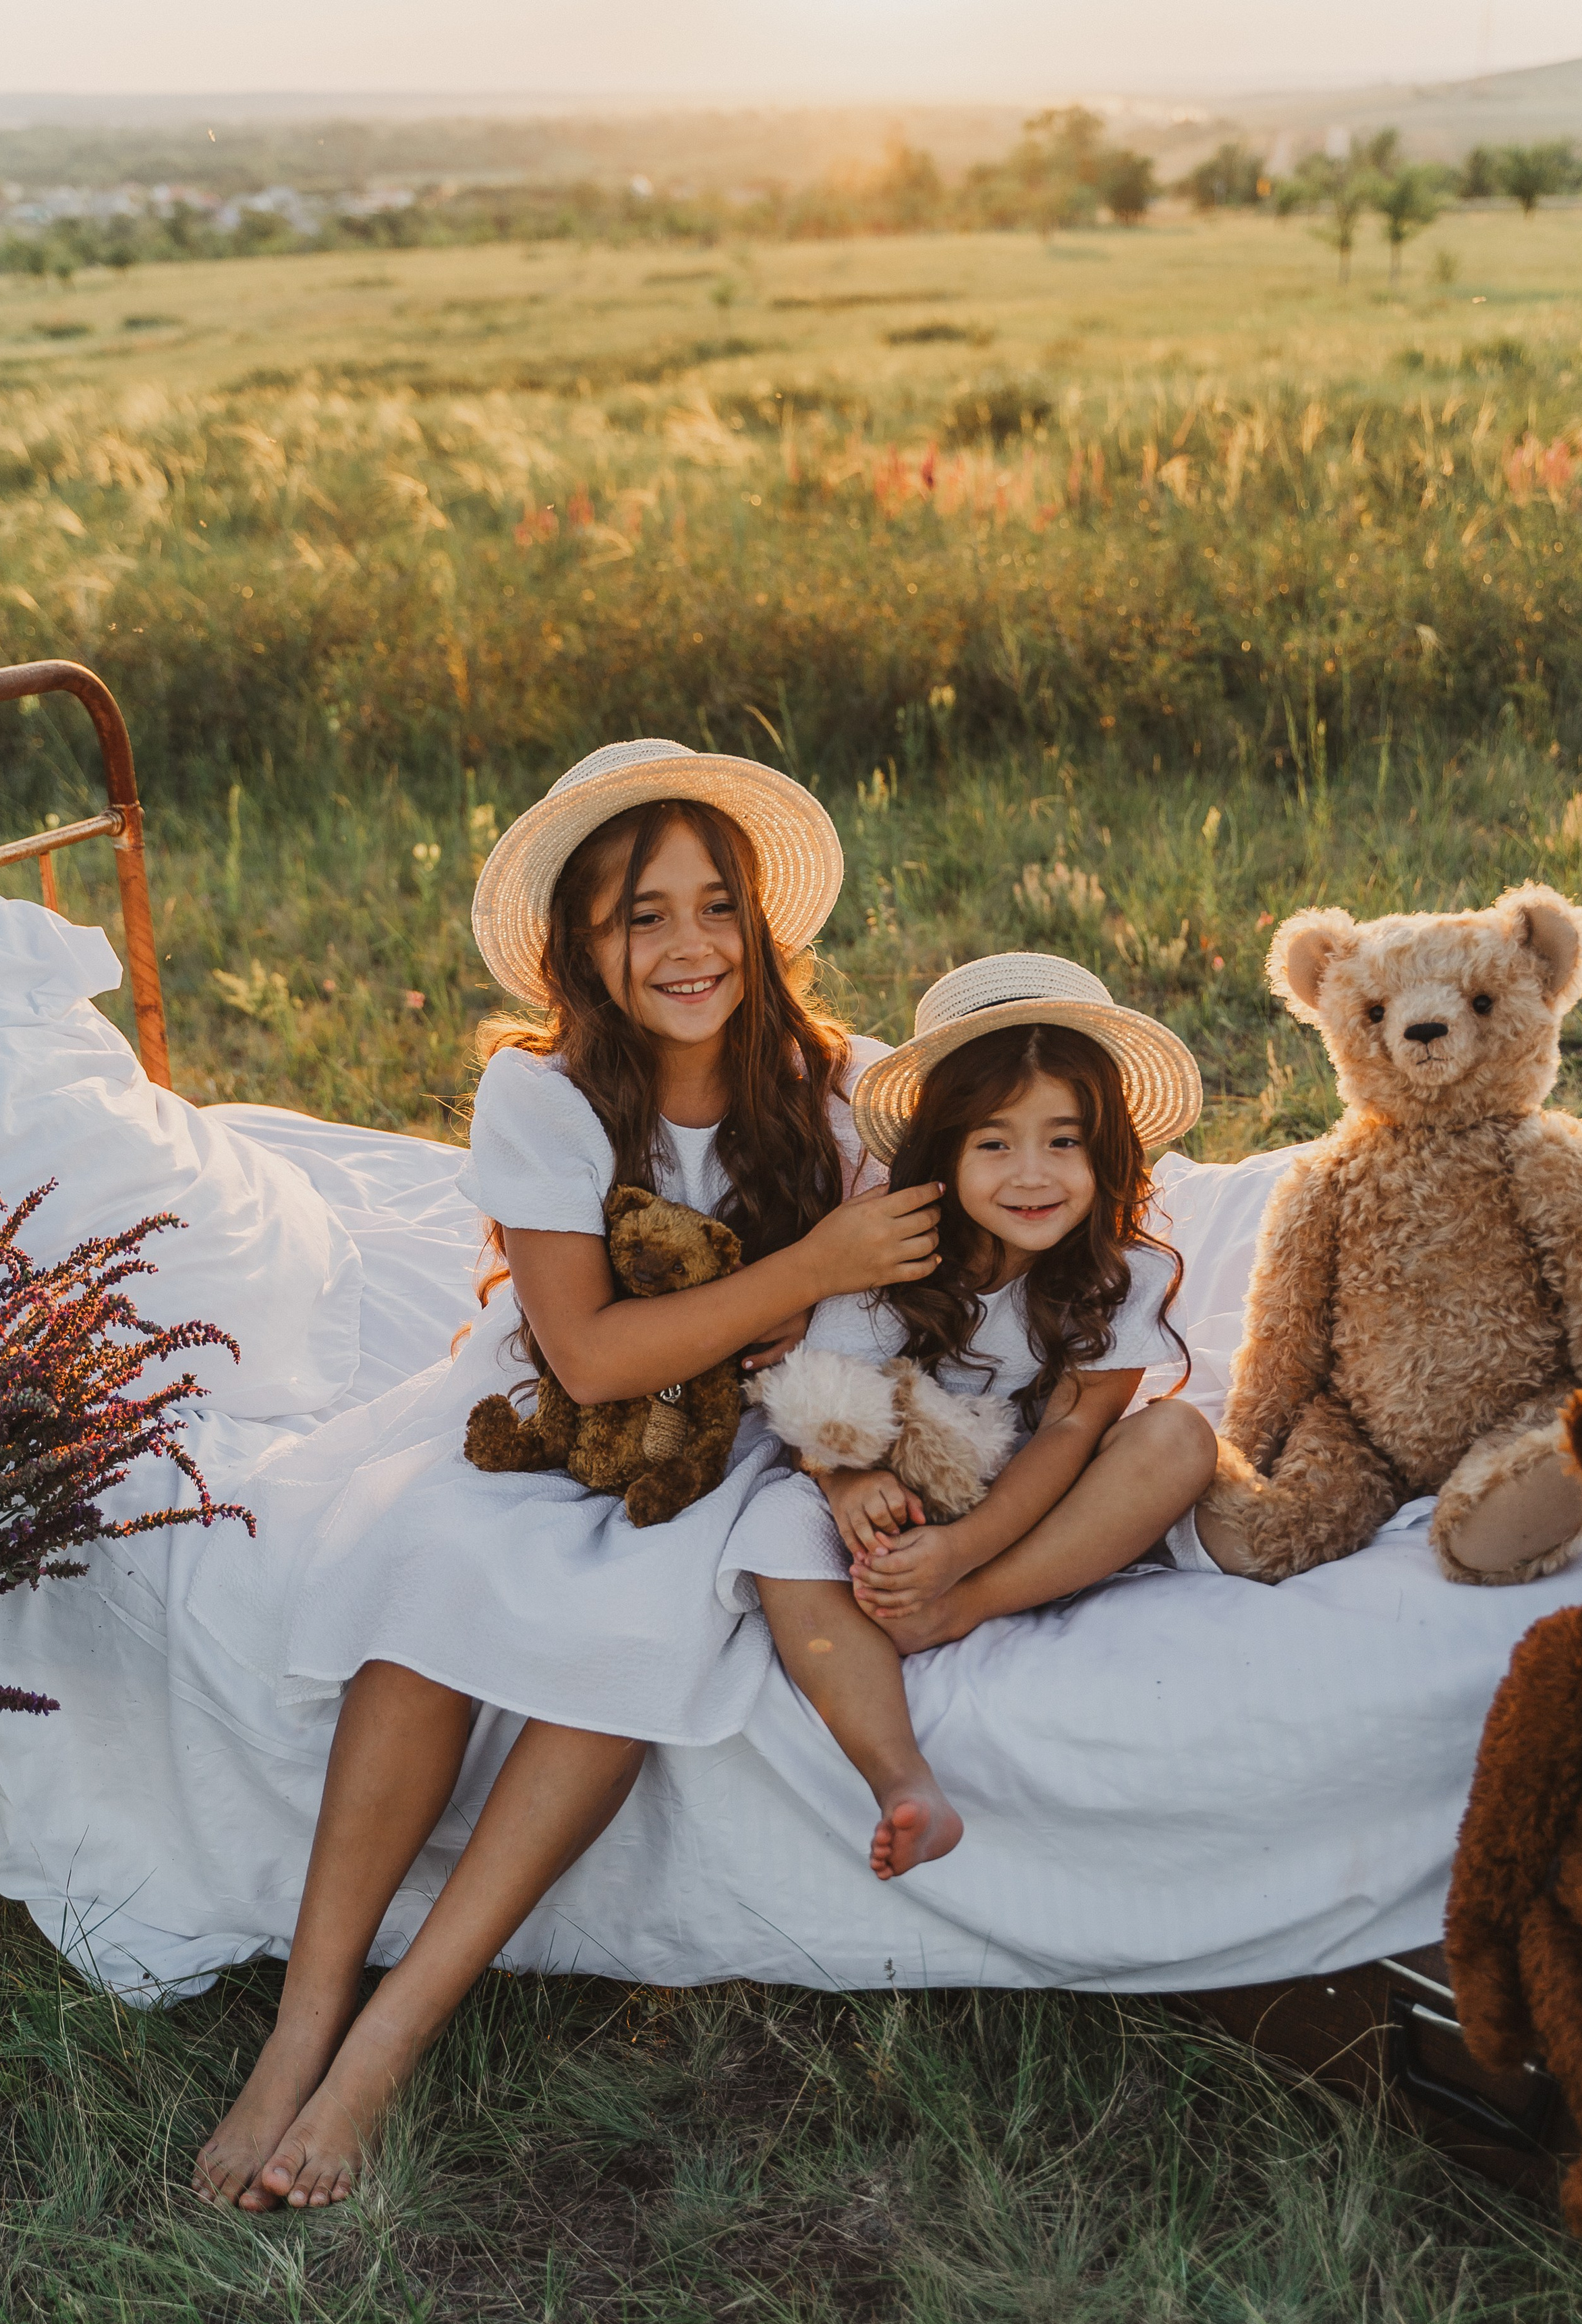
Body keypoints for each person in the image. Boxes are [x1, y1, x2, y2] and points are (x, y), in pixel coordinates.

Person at [192, 739, 940, 2213]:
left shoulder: (835, 1088)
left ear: (760, 927)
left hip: (728, 1432)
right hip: (542, 1410)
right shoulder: (539, 1095)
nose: (684, 946)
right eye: (635, 915)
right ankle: (298, 2029)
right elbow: (589, 1358)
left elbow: (858, 1312)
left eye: (713, 905)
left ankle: (387, 2044)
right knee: (432, 1578)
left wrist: (816, 1343)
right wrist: (803, 1266)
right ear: (579, 949)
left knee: (630, 1634)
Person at [728, 952, 1217, 1844]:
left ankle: (967, 1612)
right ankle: (902, 1780)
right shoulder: (894, 1252)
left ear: (1107, 1149)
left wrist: (962, 1564)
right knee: (772, 1530)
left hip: (1033, 1494)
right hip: (892, 1476)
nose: (1032, 1174)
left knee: (1181, 1438)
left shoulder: (1126, 1269)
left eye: (1064, 1141)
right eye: (995, 1142)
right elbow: (824, 1399)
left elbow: (1073, 1430)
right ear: (944, 1152)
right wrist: (845, 1488)